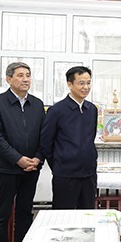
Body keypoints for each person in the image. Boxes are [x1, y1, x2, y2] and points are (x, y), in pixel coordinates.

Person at [0, 61, 46, 242]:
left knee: (25, 212)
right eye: (20, 75)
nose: (25, 79)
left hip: (31, 169)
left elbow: (44, 135)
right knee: (2, 214)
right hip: (6, 168)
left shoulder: (37, 104)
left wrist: (38, 158)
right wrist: (17, 159)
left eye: (28, 75)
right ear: (9, 79)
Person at [41, 65, 98, 209]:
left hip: (89, 173)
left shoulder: (92, 109)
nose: (86, 87)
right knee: (63, 216)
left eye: (88, 83)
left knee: (88, 214)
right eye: (81, 83)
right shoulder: (56, 110)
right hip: (65, 174)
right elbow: (46, 142)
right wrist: (59, 164)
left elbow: (91, 138)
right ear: (69, 84)